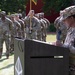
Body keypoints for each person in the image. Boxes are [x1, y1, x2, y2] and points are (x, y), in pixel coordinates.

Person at [53, 5, 75, 75]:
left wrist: (63, 46)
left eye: (65, 19)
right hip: (69, 68)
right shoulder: (70, 29)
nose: (63, 21)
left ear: (72, 18)